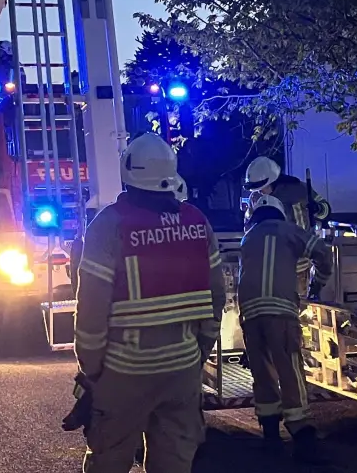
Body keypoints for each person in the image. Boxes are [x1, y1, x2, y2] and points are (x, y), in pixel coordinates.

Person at [71, 132, 225, 473]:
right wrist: (198, 351)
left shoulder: (109, 225)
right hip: (183, 368)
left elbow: (91, 309)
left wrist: (92, 369)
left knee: (108, 459)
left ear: (128, 177)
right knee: (174, 462)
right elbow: (217, 298)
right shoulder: (197, 222)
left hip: (125, 370)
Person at [237, 194, 333, 461]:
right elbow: (322, 253)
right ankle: (301, 432)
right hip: (281, 311)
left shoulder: (248, 238)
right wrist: (317, 283)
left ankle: (270, 434)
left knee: (263, 372)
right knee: (290, 368)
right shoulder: (290, 230)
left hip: (250, 313)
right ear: (280, 213)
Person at [244, 158, 331, 231]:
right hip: (272, 246)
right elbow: (248, 225)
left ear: (272, 181)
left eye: (261, 187)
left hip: (302, 244)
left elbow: (326, 210)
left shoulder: (299, 189)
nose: (259, 192)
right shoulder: (254, 198)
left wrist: (318, 208)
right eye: (256, 189)